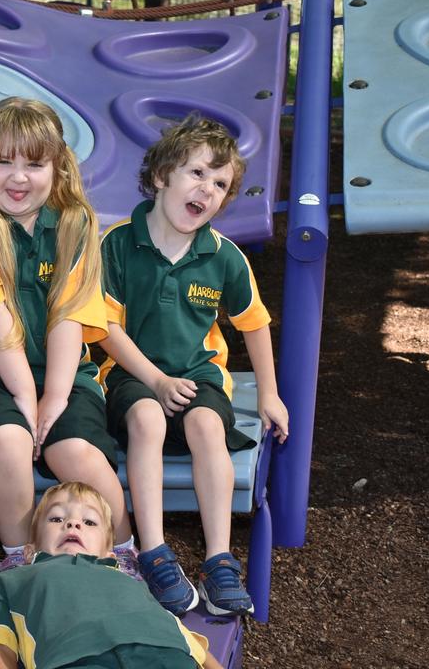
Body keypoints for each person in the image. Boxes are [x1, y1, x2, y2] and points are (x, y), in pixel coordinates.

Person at [98, 115, 288, 616]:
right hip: (133, 376)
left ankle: (219, 559)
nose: (208, 189)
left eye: (220, 183)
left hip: (199, 377)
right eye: (197, 173)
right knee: (146, 419)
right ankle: (155, 551)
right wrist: (156, 380)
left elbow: (254, 323)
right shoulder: (118, 243)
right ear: (162, 177)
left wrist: (269, 395)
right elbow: (104, 327)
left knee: (207, 424)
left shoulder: (223, 257)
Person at [0, 97, 135, 575]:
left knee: (74, 451)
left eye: (34, 163)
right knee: (7, 440)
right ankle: (20, 559)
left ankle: (124, 550)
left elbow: (69, 316)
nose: (18, 177)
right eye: (4, 161)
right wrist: (26, 398)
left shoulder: (76, 223)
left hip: (67, 374)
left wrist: (55, 398)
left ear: (58, 167)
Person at [0, 482, 223, 669]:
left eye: (90, 522)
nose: (73, 523)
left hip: (165, 653)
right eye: (57, 519)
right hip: (74, 658)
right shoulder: (12, 580)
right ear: (29, 551)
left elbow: (183, 636)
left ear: (110, 555)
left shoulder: (130, 581)